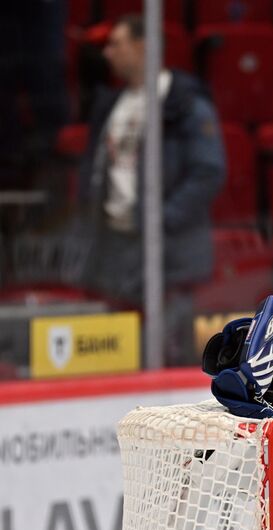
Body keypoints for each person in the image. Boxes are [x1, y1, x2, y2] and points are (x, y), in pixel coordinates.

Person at [77, 13, 225, 366]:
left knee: (168, 352)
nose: (108, 53)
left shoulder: (184, 102)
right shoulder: (112, 106)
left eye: (116, 44)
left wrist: (160, 221)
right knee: (119, 354)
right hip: (117, 249)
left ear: (143, 46)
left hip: (168, 254)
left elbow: (208, 172)